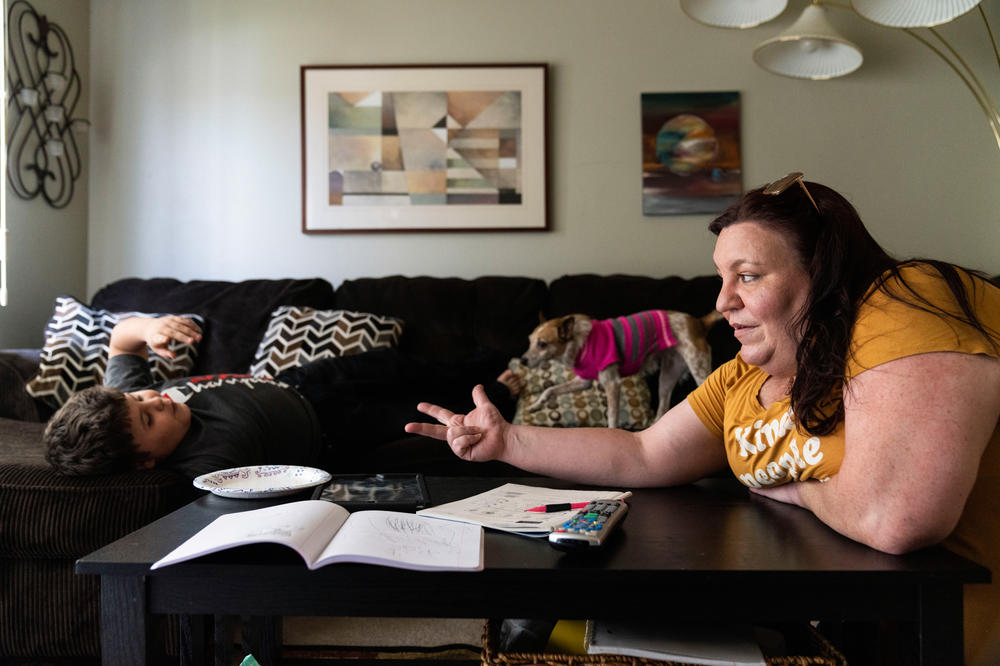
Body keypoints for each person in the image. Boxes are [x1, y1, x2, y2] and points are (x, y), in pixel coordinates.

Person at [405, 173, 1000, 665]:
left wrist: (795, 491)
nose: (721, 301)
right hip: (824, 632)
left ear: (824, 275)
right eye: (722, 277)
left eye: (748, 275)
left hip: (939, 638)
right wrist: (509, 440)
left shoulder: (910, 298)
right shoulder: (742, 377)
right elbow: (642, 454)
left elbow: (896, 517)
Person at [43, 315, 520, 480]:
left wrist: (148, 328)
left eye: (142, 399)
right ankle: (503, 394)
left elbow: (121, 341)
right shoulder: (208, 463)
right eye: (147, 421)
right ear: (145, 462)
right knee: (417, 411)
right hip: (333, 430)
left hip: (300, 380)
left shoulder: (127, 403)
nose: (156, 402)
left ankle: (493, 360)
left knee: (397, 364)